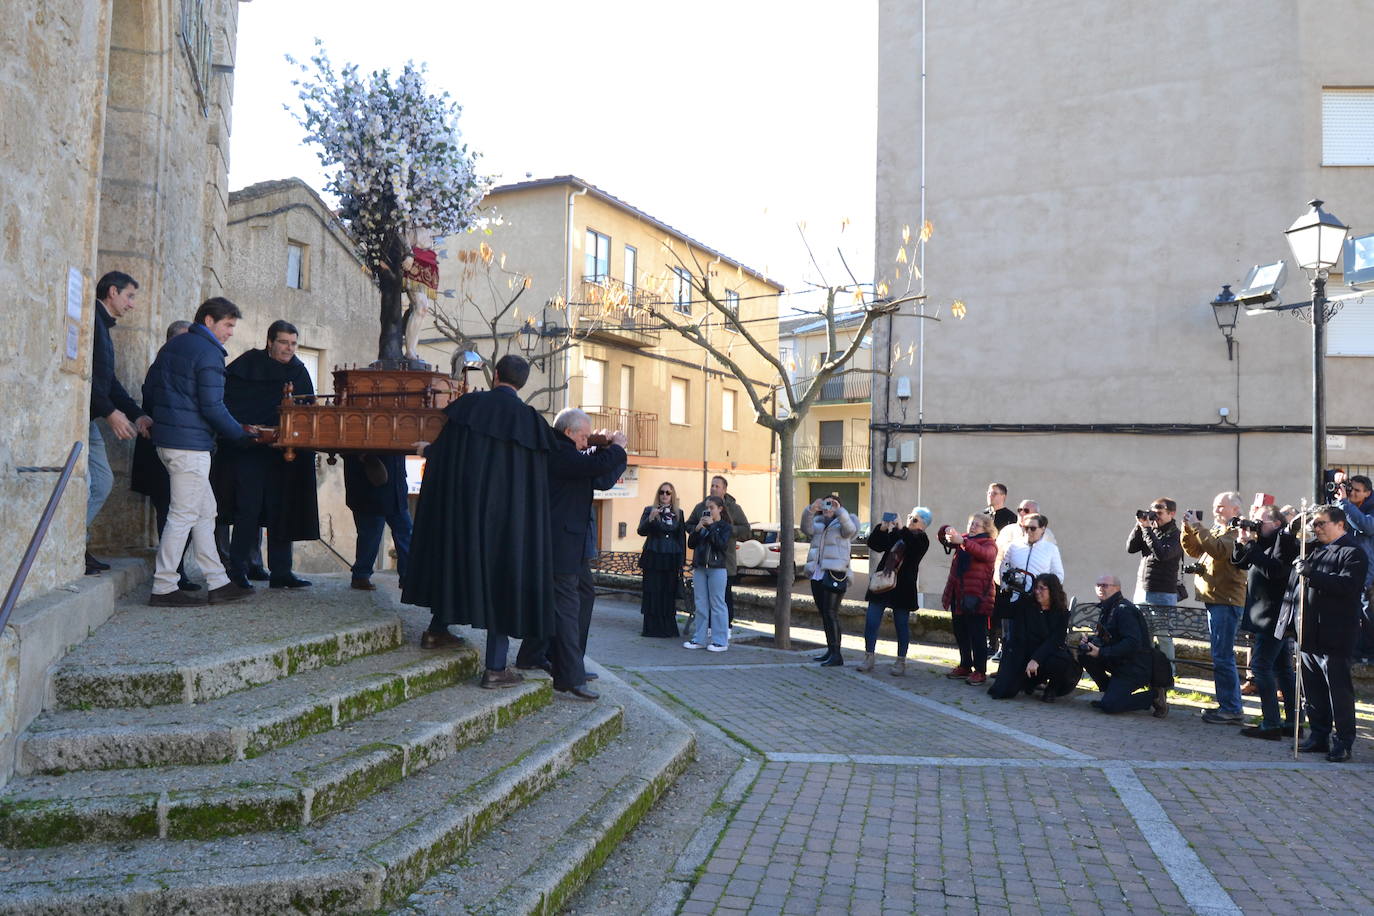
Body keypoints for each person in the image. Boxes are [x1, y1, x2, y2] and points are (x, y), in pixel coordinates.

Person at [403, 355, 558, 684]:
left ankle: (437, 631)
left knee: (457, 564)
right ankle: (495, 668)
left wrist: (425, 451)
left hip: (464, 513)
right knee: (501, 582)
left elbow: (446, 454)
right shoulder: (531, 422)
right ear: (522, 383)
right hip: (507, 523)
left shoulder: (469, 407)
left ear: (496, 375)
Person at [140, 297, 257, 607]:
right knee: (182, 515)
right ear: (209, 321)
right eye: (228, 325)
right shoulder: (208, 353)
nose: (231, 332)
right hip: (189, 446)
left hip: (170, 441)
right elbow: (213, 407)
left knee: (205, 511)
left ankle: (218, 582)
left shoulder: (173, 347)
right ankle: (164, 586)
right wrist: (240, 435)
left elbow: (149, 391)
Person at [515, 408, 627, 698]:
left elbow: (600, 478)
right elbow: (592, 467)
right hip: (560, 544)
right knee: (566, 608)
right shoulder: (560, 454)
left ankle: (535, 655)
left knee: (578, 596)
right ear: (568, 433)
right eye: (583, 435)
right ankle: (570, 674)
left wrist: (608, 449)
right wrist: (617, 447)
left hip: (570, 544)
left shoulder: (569, 454)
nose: (586, 440)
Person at [216, 320, 318, 589]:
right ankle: (237, 570)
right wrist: (251, 431)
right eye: (284, 342)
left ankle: (282, 571)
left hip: (284, 453)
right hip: (248, 450)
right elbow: (227, 404)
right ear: (270, 342)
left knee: (282, 508)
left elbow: (308, 409)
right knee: (247, 510)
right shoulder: (246, 365)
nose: (289, 348)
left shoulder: (298, 371)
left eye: (293, 343)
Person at [1277, 505, 1368, 762]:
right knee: (1312, 687)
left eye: (1321, 523)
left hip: (1335, 633)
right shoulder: (1314, 549)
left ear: (1340, 524)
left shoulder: (1353, 552)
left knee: (1337, 690)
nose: (1316, 528)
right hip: (1308, 631)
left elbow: (1347, 586)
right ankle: (1319, 735)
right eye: (1314, 524)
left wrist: (1311, 574)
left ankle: (1343, 741)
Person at [86, 271, 153, 574]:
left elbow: (108, 381)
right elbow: (84, 375)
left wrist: (134, 413)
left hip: (90, 418)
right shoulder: (92, 321)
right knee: (94, 483)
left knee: (101, 482)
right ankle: (71, 545)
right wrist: (111, 413)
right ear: (112, 291)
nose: (132, 305)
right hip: (82, 419)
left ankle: (74, 544)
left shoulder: (103, 326)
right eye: (130, 296)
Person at [129, 320, 196, 591]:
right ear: (170, 342)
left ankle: (177, 571)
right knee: (169, 511)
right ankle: (173, 573)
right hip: (160, 451)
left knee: (183, 513)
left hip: (176, 447)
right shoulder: (161, 370)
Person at [1231, 503, 1300, 739]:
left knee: (1261, 667)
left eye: (1261, 521)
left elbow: (1275, 571)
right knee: (1282, 668)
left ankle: (1271, 723)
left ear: (1277, 523)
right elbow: (1240, 563)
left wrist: (1252, 546)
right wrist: (1243, 541)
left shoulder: (1287, 541)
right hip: (1263, 614)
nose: (1256, 525)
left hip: (1275, 615)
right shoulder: (1264, 540)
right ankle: (1292, 724)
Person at [1180, 492, 1247, 724]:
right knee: (1220, 655)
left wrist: (1198, 527)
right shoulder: (1218, 530)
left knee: (1223, 656)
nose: (1216, 510)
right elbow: (1195, 550)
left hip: (1226, 601)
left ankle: (1232, 709)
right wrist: (1188, 529)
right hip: (1215, 599)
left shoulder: (1236, 532)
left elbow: (1219, 551)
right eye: (1214, 506)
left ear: (1235, 510)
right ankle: (1227, 705)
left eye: (1221, 507)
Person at [1079, 574, 1168, 717]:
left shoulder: (1123, 610)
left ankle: (1154, 695)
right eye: (1098, 585)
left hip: (1135, 666)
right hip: (1119, 660)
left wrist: (1101, 652)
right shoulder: (1108, 607)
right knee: (1084, 654)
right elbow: (1110, 636)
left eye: (1105, 585)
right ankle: (1111, 693)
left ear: (1117, 588)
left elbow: (1133, 643)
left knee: (1110, 706)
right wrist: (1090, 641)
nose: (1101, 588)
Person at [859, 507, 931, 675]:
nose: (909, 520)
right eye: (909, 517)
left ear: (923, 525)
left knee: (901, 625)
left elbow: (912, 550)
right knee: (871, 620)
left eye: (915, 519)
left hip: (903, 588)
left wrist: (900, 529)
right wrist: (883, 528)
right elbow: (875, 545)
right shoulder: (900, 533)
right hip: (882, 584)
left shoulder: (922, 539)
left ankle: (901, 661)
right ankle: (868, 657)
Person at [990, 573, 1080, 701]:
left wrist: (1036, 659)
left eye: (1042, 588)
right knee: (1004, 691)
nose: (1037, 592)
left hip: (1046, 654)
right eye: (1036, 587)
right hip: (1023, 652)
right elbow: (1003, 612)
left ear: (1052, 590)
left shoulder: (1061, 612)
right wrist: (1006, 591)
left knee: (1061, 662)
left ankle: (1052, 688)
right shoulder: (1026, 603)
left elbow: (1056, 640)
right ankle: (1030, 682)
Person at [996, 512, 1064, 665]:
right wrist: (1007, 585)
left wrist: (1045, 594)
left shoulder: (1050, 549)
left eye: (1032, 528)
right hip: (1016, 599)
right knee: (1011, 638)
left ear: (1043, 529)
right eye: (1025, 528)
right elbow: (1004, 568)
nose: (1028, 531)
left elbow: (1058, 576)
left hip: (1037, 602)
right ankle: (1008, 671)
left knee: (1033, 640)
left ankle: (1033, 674)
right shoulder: (1014, 546)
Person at [1126, 496, 1184, 674]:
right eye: (1153, 512)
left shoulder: (1177, 534)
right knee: (1145, 635)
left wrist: (1147, 530)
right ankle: (1147, 671)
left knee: (1163, 635)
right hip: (1142, 589)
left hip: (1163, 592)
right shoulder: (1149, 529)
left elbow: (1162, 554)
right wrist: (1140, 525)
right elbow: (1131, 548)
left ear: (1171, 513)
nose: (1155, 517)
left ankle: (1168, 673)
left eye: (1159, 513)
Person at [939, 513, 998, 685]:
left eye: (977, 525)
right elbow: (942, 538)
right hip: (958, 594)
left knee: (977, 635)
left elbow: (985, 555)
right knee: (960, 632)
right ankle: (965, 665)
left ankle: (980, 671)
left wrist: (963, 542)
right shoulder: (962, 539)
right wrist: (946, 530)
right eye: (971, 523)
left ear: (986, 529)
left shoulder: (989, 544)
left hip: (978, 597)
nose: (972, 527)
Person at [687, 476, 751, 630]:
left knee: (723, 598)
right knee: (704, 599)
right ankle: (706, 629)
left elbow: (746, 531)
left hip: (725, 560)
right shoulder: (700, 507)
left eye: (717, 486)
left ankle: (725, 628)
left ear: (724, 489)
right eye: (712, 485)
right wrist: (697, 528)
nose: (713, 488)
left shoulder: (734, 508)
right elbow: (688, 525)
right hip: (703, 559)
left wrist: (727, 530)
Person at [802, 494, 858, 667]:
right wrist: (811, 509)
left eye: (831, 505)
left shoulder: (847, 520)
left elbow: (850, 531)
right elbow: (805, 529)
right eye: (825, 505)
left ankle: (837, 654)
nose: (828, 508)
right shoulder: (818, 521)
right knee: (824, 613)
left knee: (831, 613)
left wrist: (839, 511)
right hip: (817, 573)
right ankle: (830, 650)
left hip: (835, 573)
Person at [344, 454, 411, 591]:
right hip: (370, 488)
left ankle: (408, 577)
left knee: (404, 532)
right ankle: (361, 575)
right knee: (371, 535)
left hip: (393, 487)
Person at [684, 495, 735, 652]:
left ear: (720, 509)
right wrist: (698, 529)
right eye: (707, 508)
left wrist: (712, 526)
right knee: (700, 604)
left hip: (717, 568)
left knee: (718, 604)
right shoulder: (703, 525)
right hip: (700, 568)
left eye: (712, 507)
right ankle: (699, 638)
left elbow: (721, 545)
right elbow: (691, 544)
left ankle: (720, 641)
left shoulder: (725, 526)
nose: (708, 511)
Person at [637, 481, 685, 637]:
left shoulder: (679, 513)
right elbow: (641, 531)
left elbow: (681, 538)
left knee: (667, 592)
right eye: (662, 492)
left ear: (672, 496)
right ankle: (652, 628)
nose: (664, 495)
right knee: (653, 591)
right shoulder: (649, 510)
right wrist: (650, 518)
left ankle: (667, 628)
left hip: (671, 558)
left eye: (668, 493)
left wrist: (681, 561)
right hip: (653, 557)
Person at [1334, 475, 1374, 658]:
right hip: (1347, 567)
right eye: (1351, 489)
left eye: (1358, 490)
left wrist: (1344, 504)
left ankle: (1369, 652)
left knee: (1366, 612)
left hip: (1366, 571)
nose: (1353, 493)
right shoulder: (1344, 505)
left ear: (1368, 493)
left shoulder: (1369, 509)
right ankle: (1354, 650)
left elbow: (1367, 526)